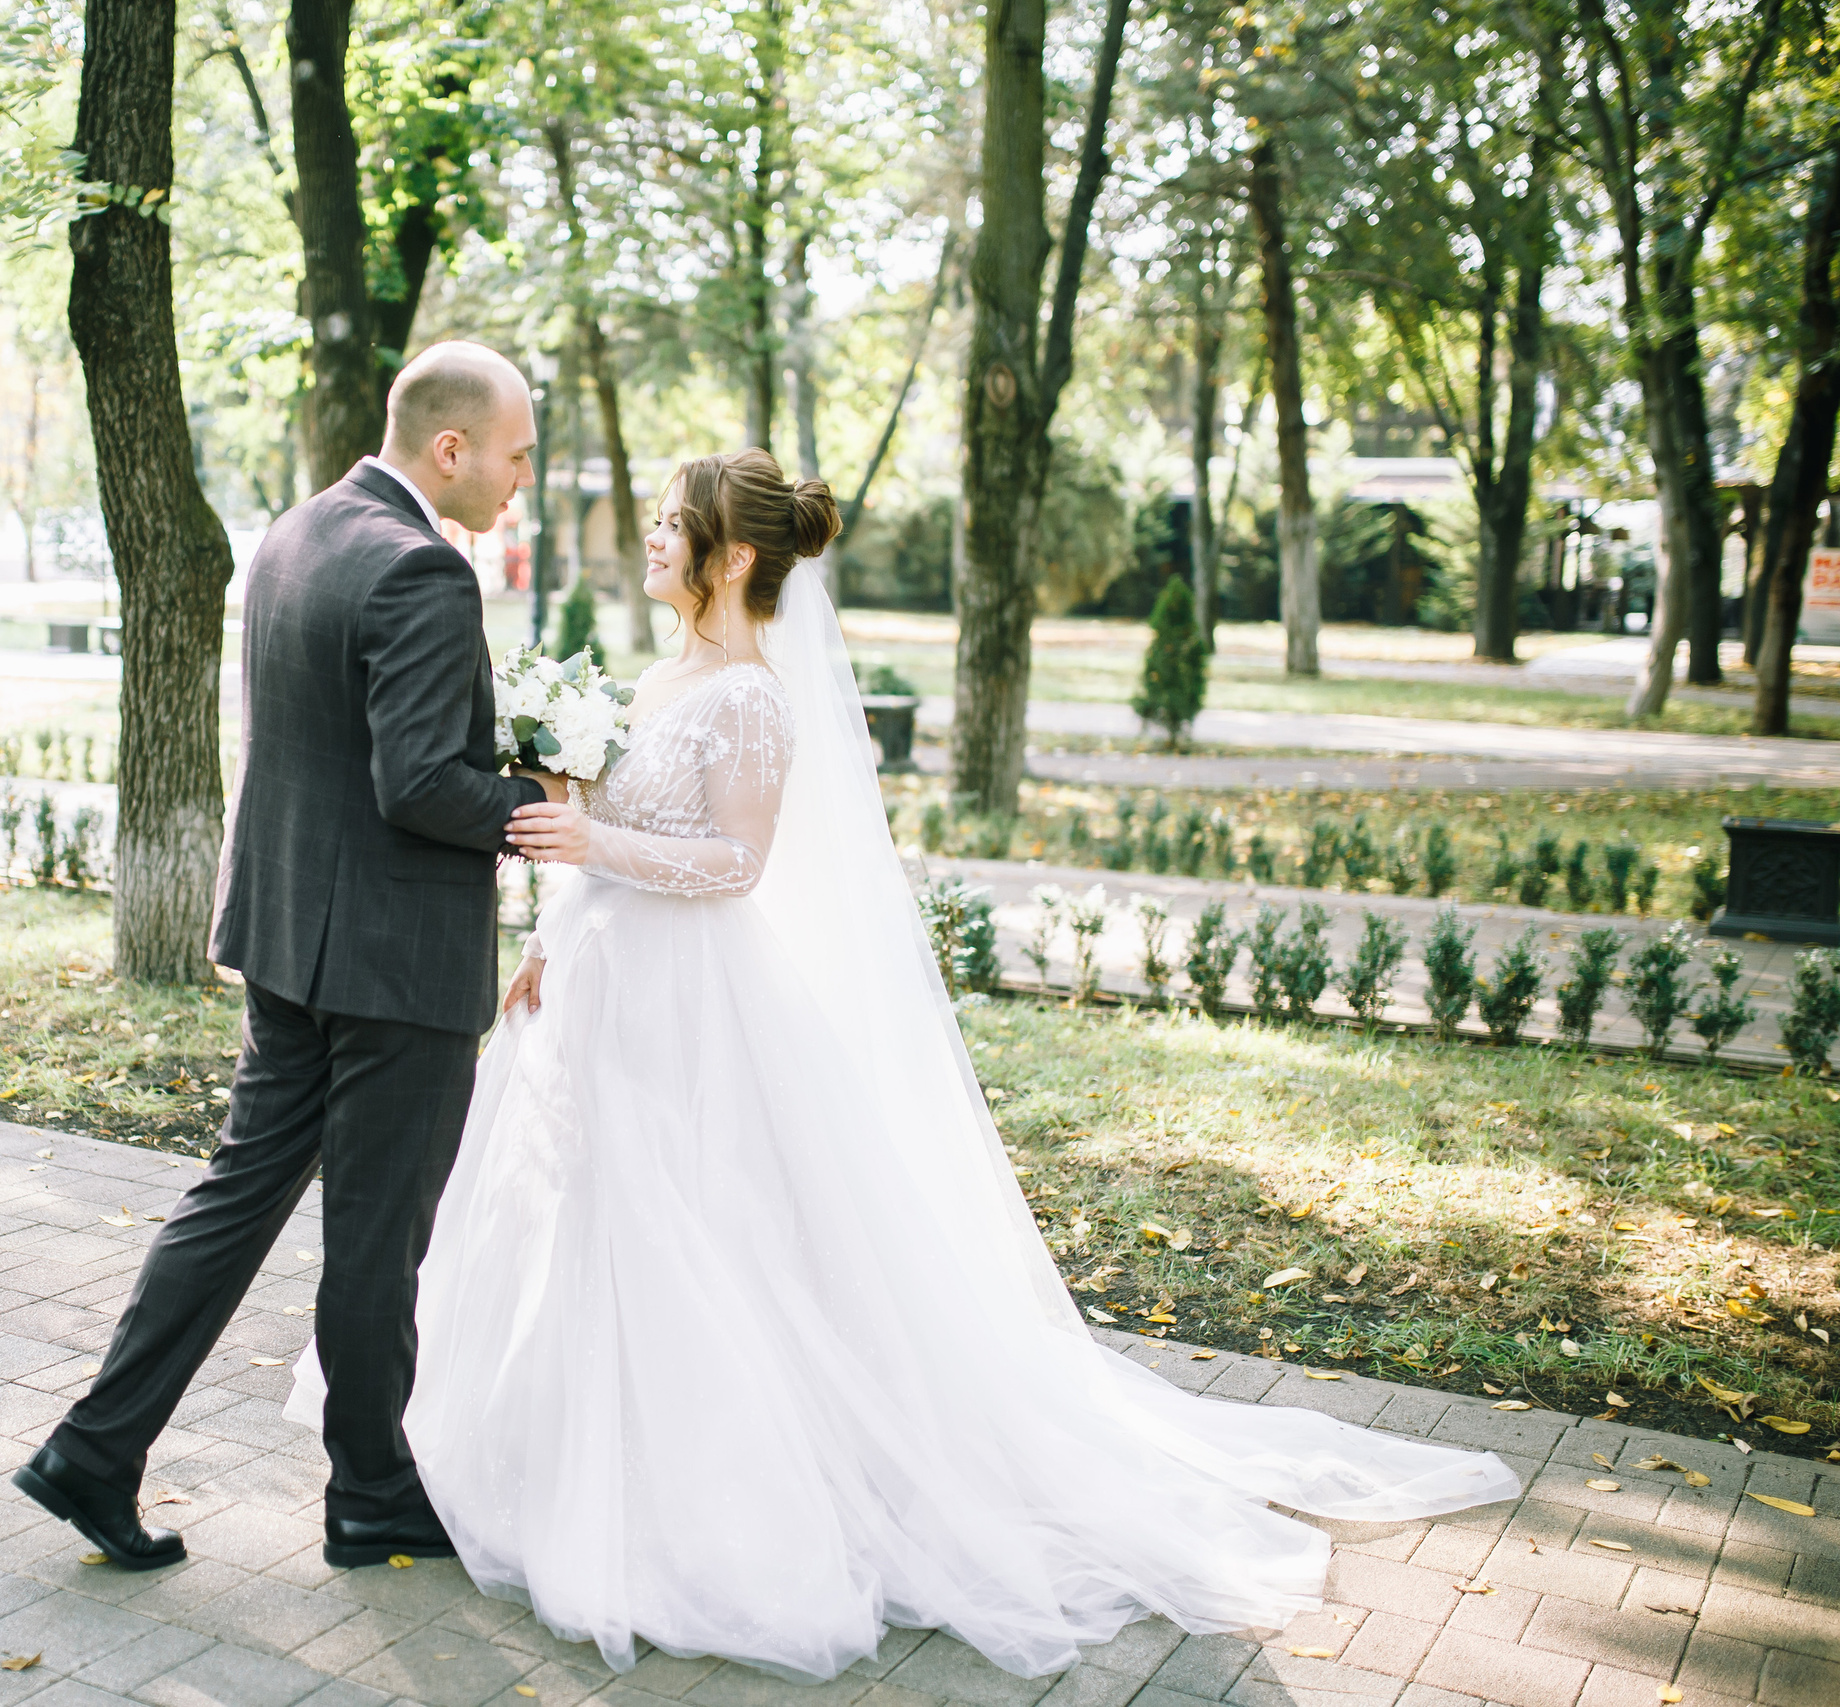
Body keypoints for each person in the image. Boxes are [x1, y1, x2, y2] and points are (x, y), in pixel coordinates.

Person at [289, 448, 1521, 1681]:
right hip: (599, 979)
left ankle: (700, 1492)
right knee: (575, 1212)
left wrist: (591, 838)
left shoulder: (752, 700)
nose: (652, 539)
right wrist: (553, 929)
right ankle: (537, 1452)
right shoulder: (660, 676)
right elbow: (608, 839)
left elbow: (735, 865)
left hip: (690, 1002)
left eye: (673, 526)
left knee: (694, 1227)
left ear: (732, 559)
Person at [12, 341, 558, 1571]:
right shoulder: (424, 570)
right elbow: (419, 783)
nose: (525, 479)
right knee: (376, 1240)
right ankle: (370, 1497)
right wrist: (536, 794)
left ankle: (93, 1451)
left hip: (286, 938)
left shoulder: (298, 531)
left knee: (234, 1198)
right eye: (517, 454)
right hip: (394, 962)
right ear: (452, 447)